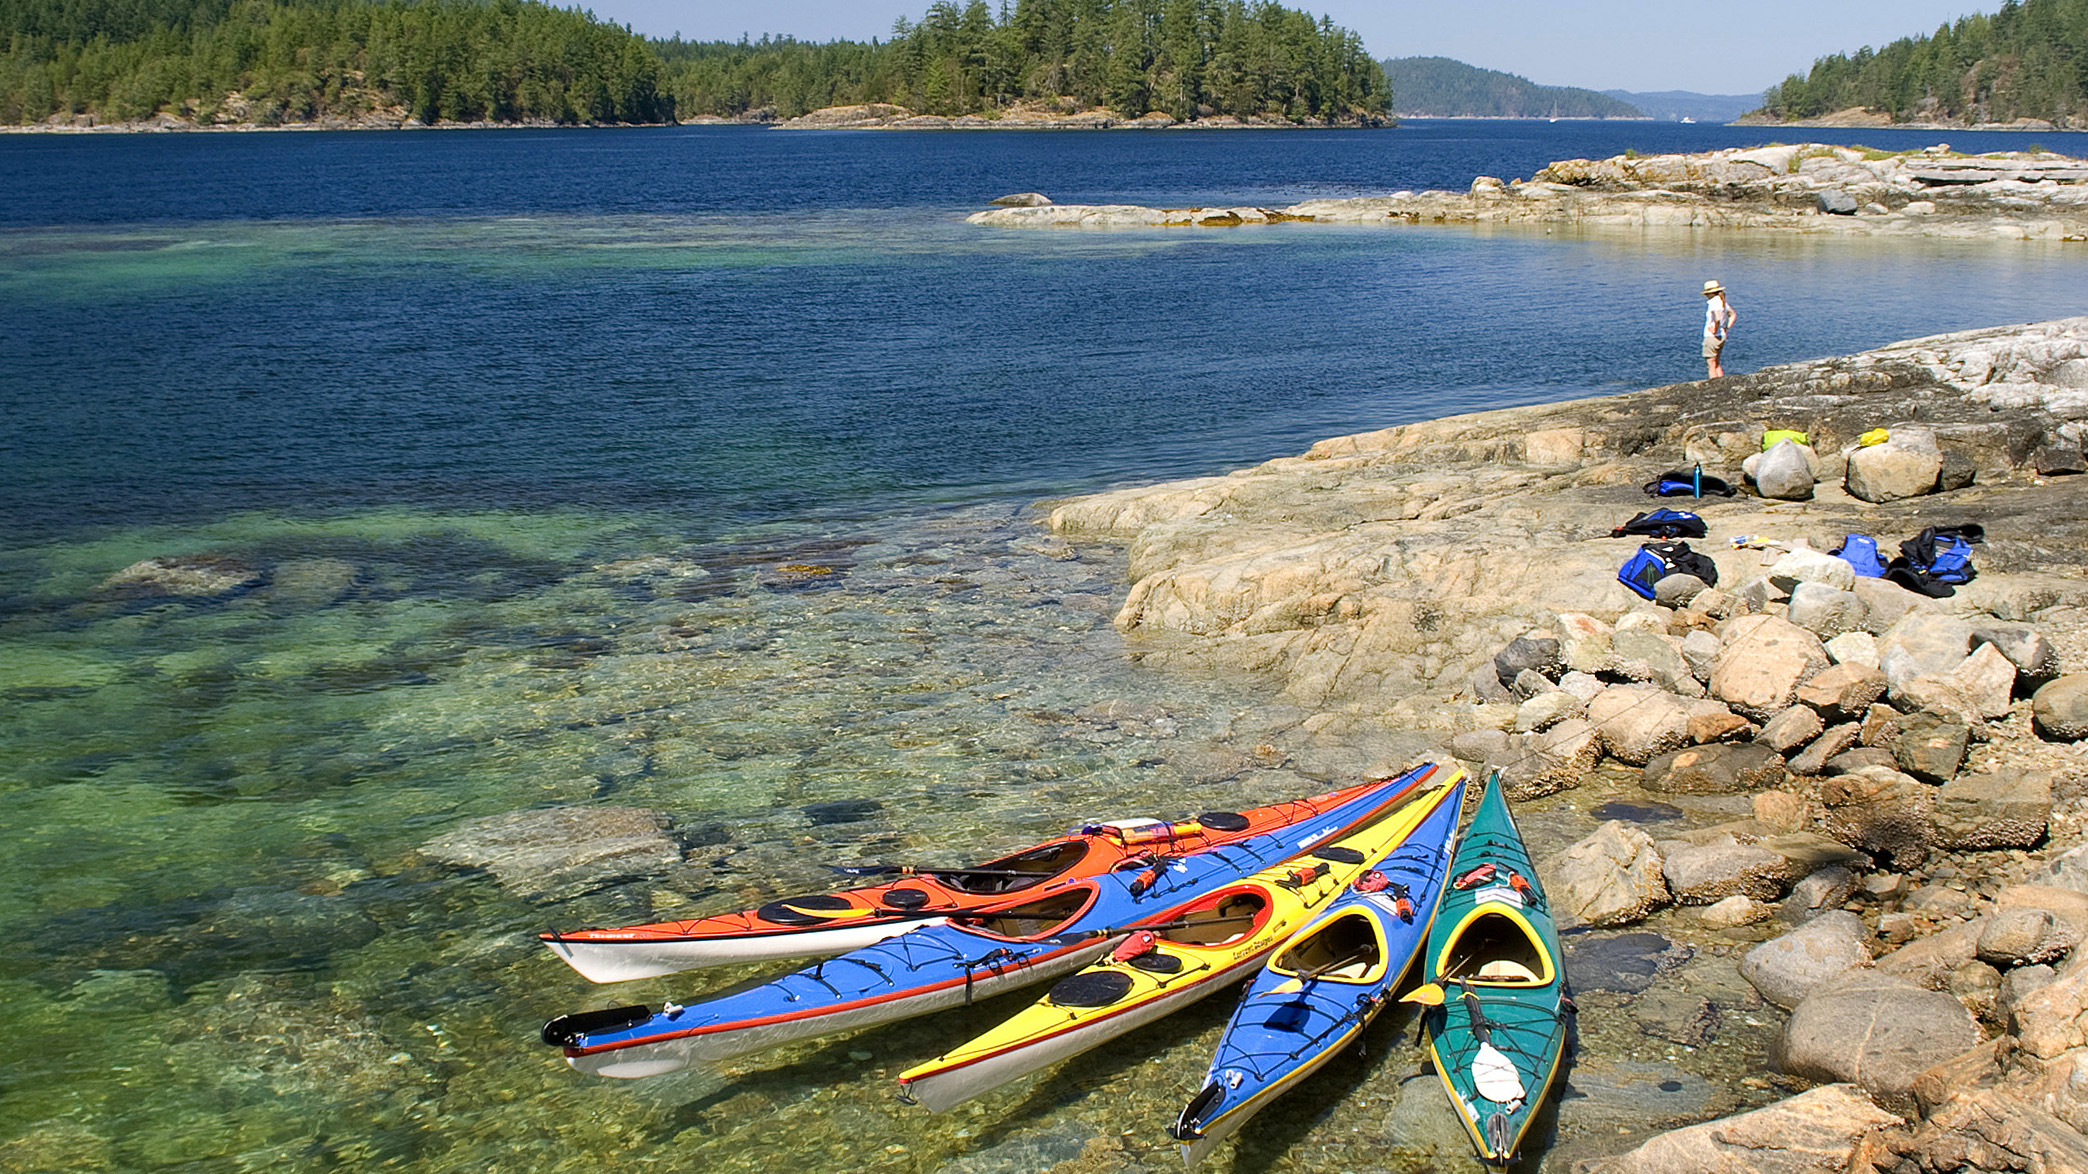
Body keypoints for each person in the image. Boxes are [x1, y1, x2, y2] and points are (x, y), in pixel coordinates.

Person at [1701, 279, 1737, 378]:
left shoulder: (1713, 302)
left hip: (1712, 337)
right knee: (1717, 363)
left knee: (1711, 364)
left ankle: (1713, 385)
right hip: (1722, 335)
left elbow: (1717, 317)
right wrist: (1726, 327)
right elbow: (1733, 315)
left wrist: (1714, 328)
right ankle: (1721, 382)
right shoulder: (1722, 302)